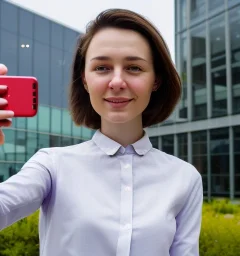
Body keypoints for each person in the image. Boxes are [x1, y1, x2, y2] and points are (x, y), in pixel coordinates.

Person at [0, 8, 203, 256]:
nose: (117, 81)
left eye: (134, 68)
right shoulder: (52, 165)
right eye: (102, 68)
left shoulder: (184, 177)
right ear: (85, 80)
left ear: (156, 80)